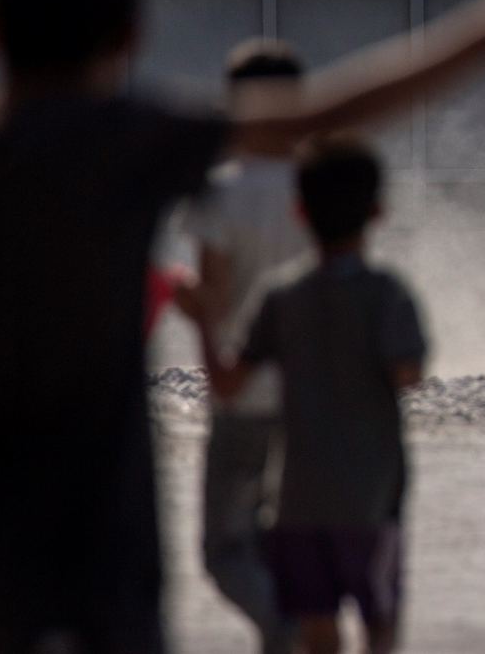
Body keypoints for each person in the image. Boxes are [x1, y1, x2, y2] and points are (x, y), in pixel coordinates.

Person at [0, 0, 485, 654]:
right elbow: (315, 113)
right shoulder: (127, 141)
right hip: (114, 543)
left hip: (7, 541)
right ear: (131, 34)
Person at [185, 134, 427, 654]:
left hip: (297, 502)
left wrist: (202, 317)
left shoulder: (281, 296)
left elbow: (227, 382)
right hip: (372, 497)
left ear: (299, 212)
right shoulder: (387, 293)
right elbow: (408, 373)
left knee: (316, 633)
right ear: (378, 212)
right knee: (380, 626)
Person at [176, 40, 313, 654]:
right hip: (313, 391)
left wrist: (207, 352)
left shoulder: (224, 191)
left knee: (226, 549)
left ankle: (282, 628)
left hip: (245, 390)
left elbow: (214, 296)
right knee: (286, 537)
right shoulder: (319, 187)